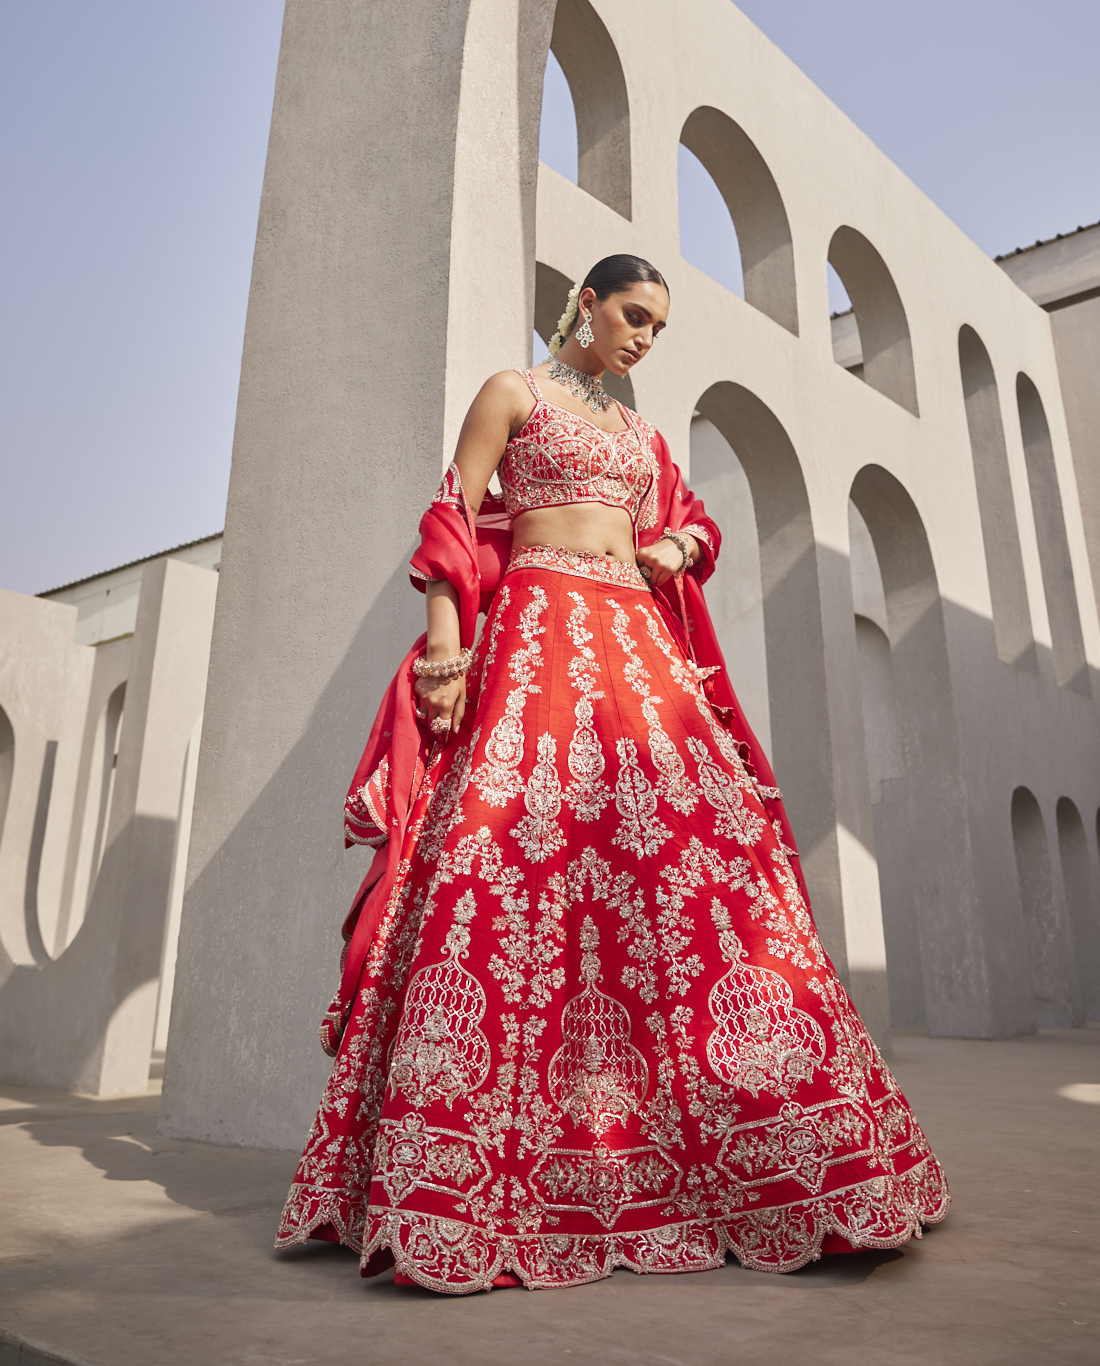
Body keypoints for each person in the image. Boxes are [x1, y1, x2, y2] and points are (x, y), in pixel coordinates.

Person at [276, 254, 948, 1293]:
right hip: (537, 636)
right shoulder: (515, 391)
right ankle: (466, 1177)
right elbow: (451, 518)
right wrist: (445, 651)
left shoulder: (642, 435)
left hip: (641, 654)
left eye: (657, 327)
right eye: (632, 315)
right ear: (584, 301)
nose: (642, 337)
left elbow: (691, 522)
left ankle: (796, 1162)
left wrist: (676, 540)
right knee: (502, 872)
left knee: (715, 889)